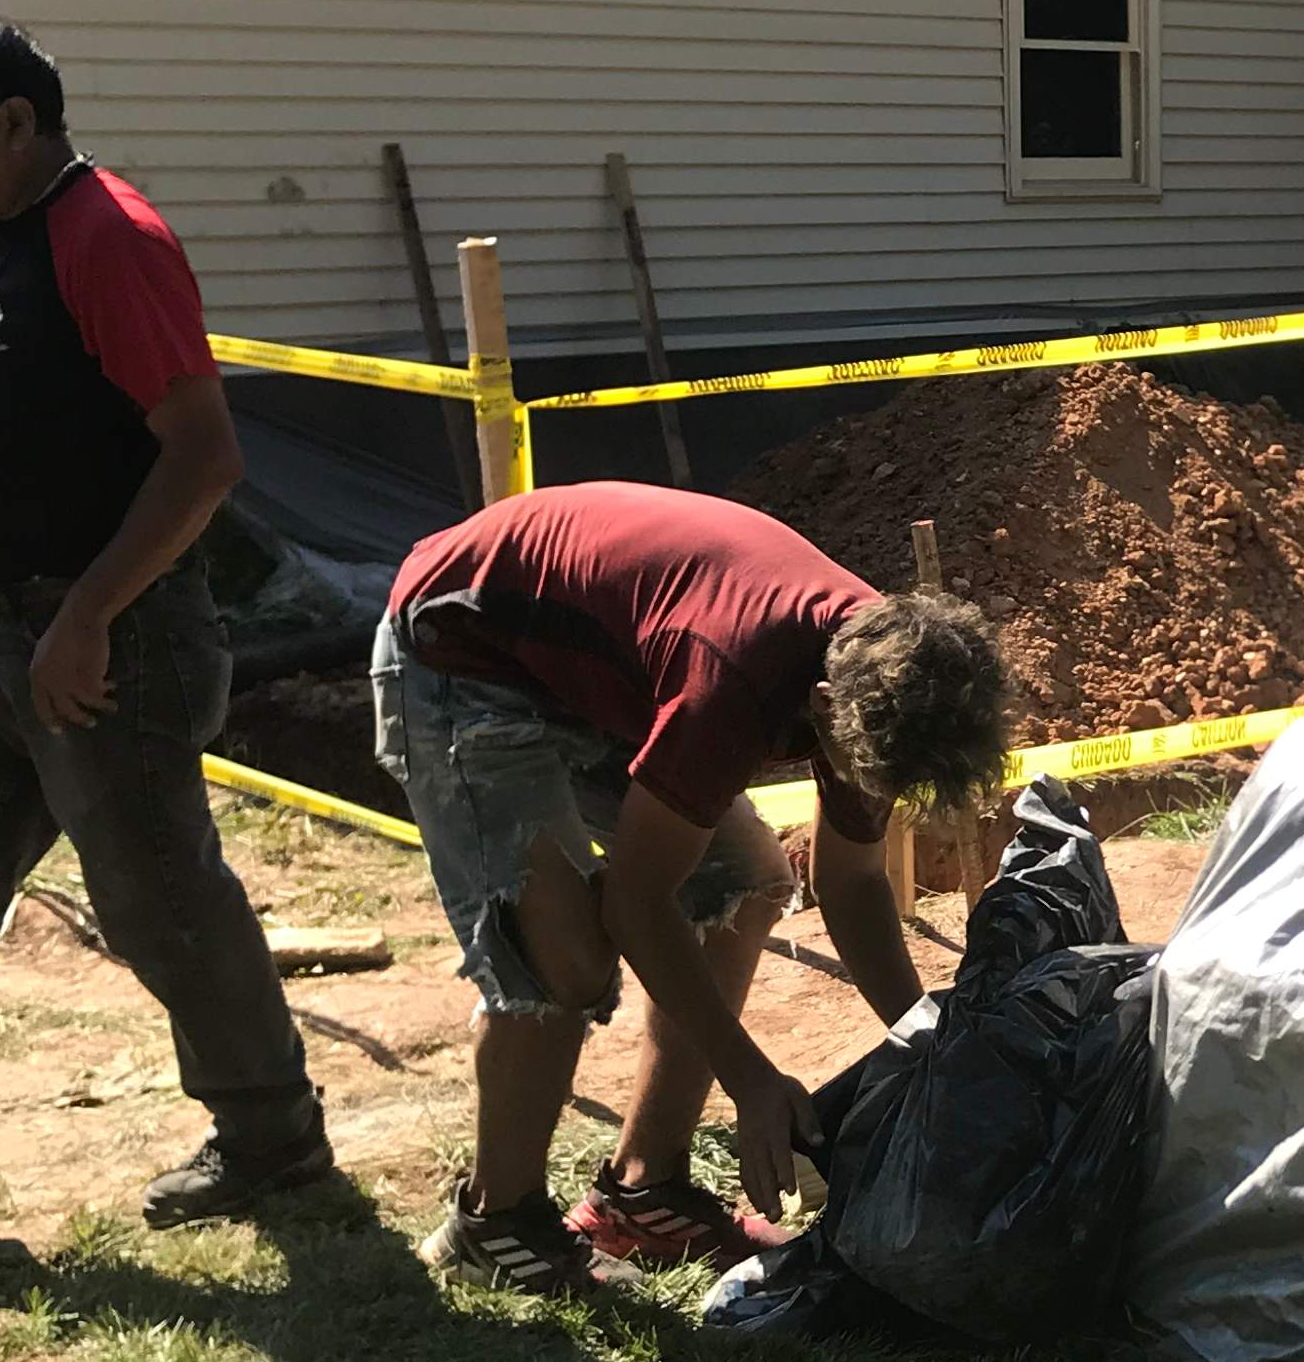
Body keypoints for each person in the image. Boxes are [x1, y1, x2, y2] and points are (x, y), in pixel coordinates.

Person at [374, 479, 1009, 1288]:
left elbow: (850, 883)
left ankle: (644, 1195)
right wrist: (750, 1079)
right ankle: (494, 1224)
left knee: (743, 881)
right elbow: (635, 906)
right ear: (821, 709)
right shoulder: (737, 683)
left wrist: (926, 1044)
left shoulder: (888, 673)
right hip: (463, 646)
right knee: (562, 958)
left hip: (588, 657)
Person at [0, 12, 331, 1222]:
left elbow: (203, 457)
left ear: (16, 122)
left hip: (106, 647)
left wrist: (86, 616)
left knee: (158, 897)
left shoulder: (106, 235)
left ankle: (273, 1143)